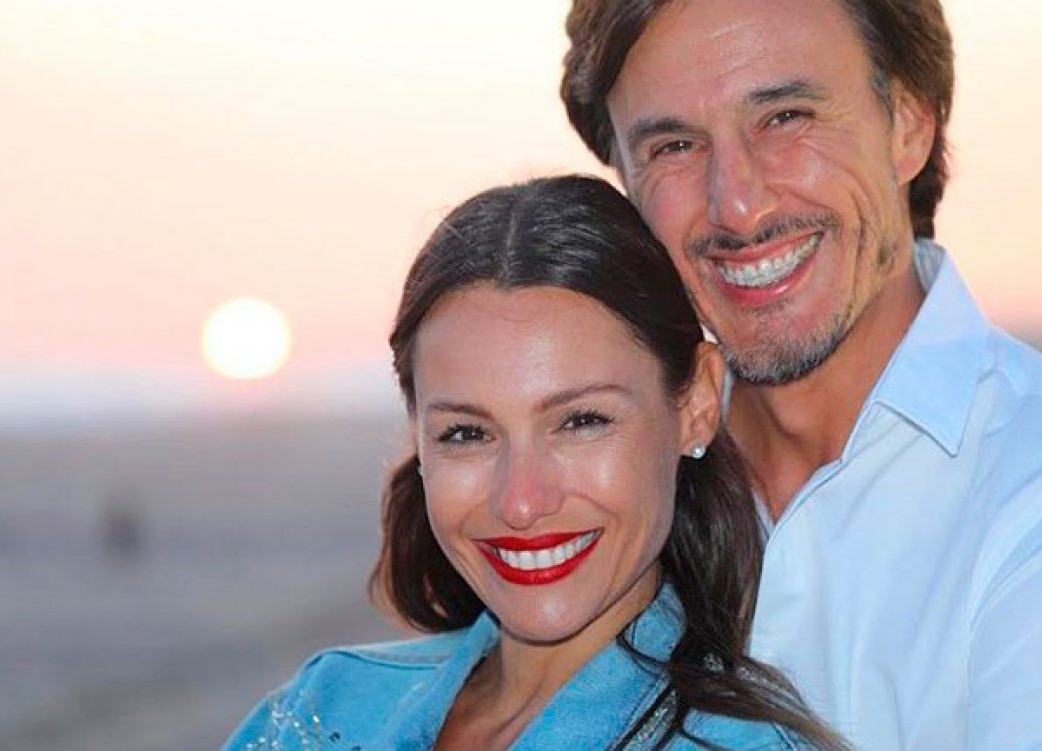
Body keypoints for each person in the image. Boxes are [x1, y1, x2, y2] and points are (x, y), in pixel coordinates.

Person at [560, 1, 1042, 749]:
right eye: (675, 146)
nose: (736, 205)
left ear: (909, 125)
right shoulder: (594, 487)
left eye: (785, 118)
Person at [224, 175, 847, 750]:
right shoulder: (322, 708)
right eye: (467, 433)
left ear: (697, 404)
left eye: (582, 421)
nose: (521, 502)